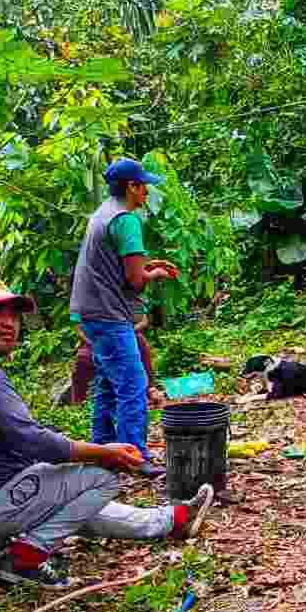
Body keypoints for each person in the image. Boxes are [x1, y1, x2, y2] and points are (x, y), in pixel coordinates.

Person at [0, 279, 214, 590]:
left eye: (14, 315)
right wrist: (102, 453)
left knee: (75, 497)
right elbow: (31, 440)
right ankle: (26, 559)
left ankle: (172, 520)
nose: (9, 323)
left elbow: (20, 438)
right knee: (100, 477)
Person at [70, 158, 178, 478]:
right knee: (133, 382)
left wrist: (148, 265)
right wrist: (155, 273)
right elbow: (134, 280)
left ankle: (103, 447)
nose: (146, 190)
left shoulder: (102, 214)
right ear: (131, 187)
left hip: (90, 310)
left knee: (107, 382)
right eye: (143, 184)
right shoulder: (127, 221)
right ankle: (135, 455)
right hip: (108, 312)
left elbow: (117, 265)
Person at [66, 300, 158, 406]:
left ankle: (150, 389)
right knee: (83, 359)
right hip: (96, 341)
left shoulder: (125, 293)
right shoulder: (83, 297)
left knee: (140, 342)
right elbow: (79, 329)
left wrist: (124, 333)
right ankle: (79, 402)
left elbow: (143, 320)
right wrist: (96, 342)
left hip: (125, 338)